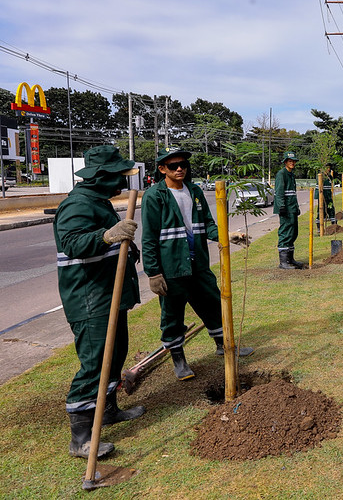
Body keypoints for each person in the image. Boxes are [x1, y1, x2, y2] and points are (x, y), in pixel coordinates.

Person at [54, 145, 145, 459]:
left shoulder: (99, 201)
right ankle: (80, 437)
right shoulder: (77, 205)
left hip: (109, 295)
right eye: (117, 175)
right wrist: (107, 236)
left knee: (116, 354)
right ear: (100, 176)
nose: (121, 180)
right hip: (89, 299)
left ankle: (107, 411)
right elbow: (72, 242)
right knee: (94, 364)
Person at [141, 148, 254, 382]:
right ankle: (179, 360)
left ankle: (224, 346)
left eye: (183, 164)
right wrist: (153, 272)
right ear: (162, 169)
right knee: (172, 315)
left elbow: (208, 225)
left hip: (198, 264)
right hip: (172, 268)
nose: (180, 168)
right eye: (173, 166)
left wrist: (227, 235)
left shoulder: (194, 192)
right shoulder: (155, 196)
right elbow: (149, 237)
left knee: (213, 305)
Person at [274, 151, 305, 270]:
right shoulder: (281, 174)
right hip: (285, 209)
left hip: (292, 208)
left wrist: (296, 207)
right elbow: (279, 192)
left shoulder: (291, 174)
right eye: (290, 161)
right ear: (285, 162)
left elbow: (293, 193)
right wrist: (281, 207)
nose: (292, 163)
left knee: (293, 233)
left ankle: (290, 259)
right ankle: (283, 262)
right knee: (285, 232)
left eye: (293, 161)